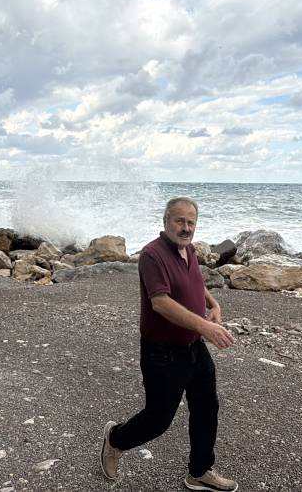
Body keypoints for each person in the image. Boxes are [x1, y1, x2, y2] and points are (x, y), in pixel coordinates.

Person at [100, 197, 239, 492]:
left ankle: (199, 471)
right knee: (158, 420)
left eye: (191, 222)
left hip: (193, 346)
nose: (186, 227)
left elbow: (195, 284)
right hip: (162, 352)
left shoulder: (188, 249)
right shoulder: (152, 255)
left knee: (206, 408)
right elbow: (160, 302)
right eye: (179, 220)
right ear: (165, 221)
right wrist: (206, 326)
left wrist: (213, 304)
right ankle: (115, 440)